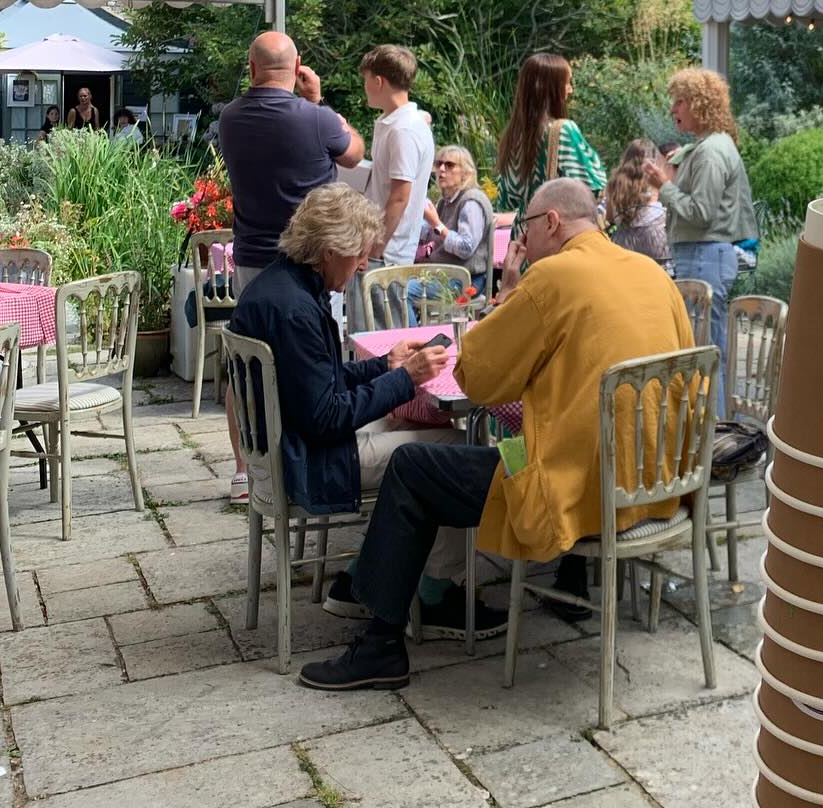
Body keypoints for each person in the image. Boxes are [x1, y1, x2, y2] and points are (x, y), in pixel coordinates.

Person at [299, 178, 696, 691]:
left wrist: (511, 291)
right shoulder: (651, 274)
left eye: (525, 230)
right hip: (655, 485)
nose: (521, 242)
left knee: (413, 467)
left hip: (580, 490)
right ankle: (417, 589)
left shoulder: (554, 277)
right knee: (480, 450)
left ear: (550, 223)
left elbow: (478, 376)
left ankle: (379, 639)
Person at [229, 185, 481, 637]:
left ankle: (361, 577)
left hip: (288, 445)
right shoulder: (297, 310)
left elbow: (314, 382)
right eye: (359, 254)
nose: (364, 263)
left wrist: (385, 367)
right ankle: (437, 591)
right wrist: (407, 379)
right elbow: (326, 416)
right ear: (330, 250)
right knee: (455, 450)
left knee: (411, 420)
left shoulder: (280, 285)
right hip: (310, 459)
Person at [217, 30, 366, 502]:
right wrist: (318, 100)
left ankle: (247, 469)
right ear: (298, 63)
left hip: (253, 260)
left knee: (247, 362)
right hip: (311, 264)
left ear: (251, 66)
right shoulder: (316, 119)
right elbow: (355, 152)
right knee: (317, 362)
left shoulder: (230, 119)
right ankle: (309, 455)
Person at [644, 69, 756, 420]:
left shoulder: (710, 152)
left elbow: (701, 212)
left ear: (700, 104)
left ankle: (717, 435)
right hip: (705, 256)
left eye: (680, 101)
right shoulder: (708, 147)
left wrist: (664, 185)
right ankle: (714, 431)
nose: (673, 108)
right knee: (707, 350)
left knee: (706, 353)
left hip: (705, 255)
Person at [495, 51, 605, 236]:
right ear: (550, 88)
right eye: (567, 82)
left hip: (525, 241)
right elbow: (592, 189)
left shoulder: (512, 137)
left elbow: (506, 201)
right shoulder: (563, 130)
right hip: (558, 240)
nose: (570, 89)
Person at [362, 45, 436, 267]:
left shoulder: (404, 130)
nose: (364, 87)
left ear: (378, 82)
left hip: (388, 255)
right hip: (379, 248)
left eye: (366, 79)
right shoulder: (395, 122)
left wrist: (376, 249)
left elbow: (400, 197)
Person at [419, 144, 493, 287]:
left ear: (465, 173)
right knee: (396, 284)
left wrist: (436, 224)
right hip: (444, 274)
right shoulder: (445, 201)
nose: (441, 169)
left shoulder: (471, 202)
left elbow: (466, 248)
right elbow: (429, 237)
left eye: (449, 165)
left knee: (404, 292)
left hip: (466, 279)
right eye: (439, 164)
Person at [605, 137, 669, 264]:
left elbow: (610, 217)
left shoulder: (614, 182)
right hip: (654, 235)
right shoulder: (654, 175)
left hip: (623, 239)